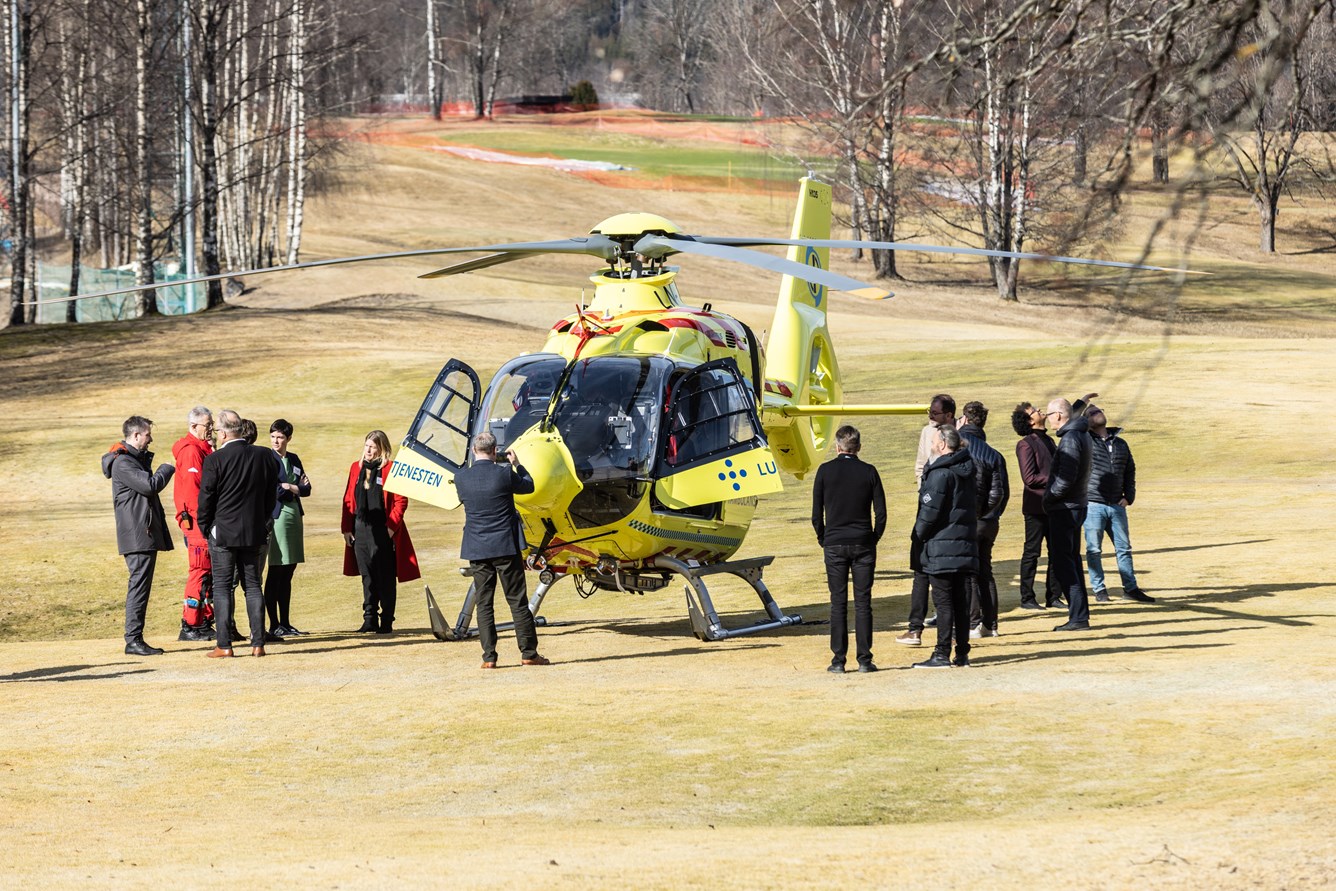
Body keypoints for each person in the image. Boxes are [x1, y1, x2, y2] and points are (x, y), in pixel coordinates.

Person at [454, 431, 549, 669]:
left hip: (477, 547)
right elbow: (528, 486)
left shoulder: (461, 478)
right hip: (505, 546)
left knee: (484, 603)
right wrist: (517, 465)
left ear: (474, 451)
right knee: (517, 601)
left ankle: (489, 657)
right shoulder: (505, 473)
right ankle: (528, 652)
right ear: (495, 451)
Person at [196, 409, 278, 657]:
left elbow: (206, 498)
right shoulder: (265, 455)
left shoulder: (215, 460)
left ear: (222, 433)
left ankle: (224, 645)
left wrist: (206, 526)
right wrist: (261, 521)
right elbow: (270, 494)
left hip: (223, 532)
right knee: (253, 586)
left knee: (222, 587)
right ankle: (258, 643)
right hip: (253, 530)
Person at [811, 425, 887, 674]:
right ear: (859, 447)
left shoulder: (825, 471)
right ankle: (864, 659)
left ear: (837, 447)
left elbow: (816, 515)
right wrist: (873, 537)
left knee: (838, 602)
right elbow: (881, 513)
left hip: (834, 542)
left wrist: (824, 538)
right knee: (863, 602)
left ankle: (838, 660)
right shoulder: (869, 471)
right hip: (863, 541)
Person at [102, 416, 175, 656]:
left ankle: (135, 639)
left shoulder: (130, 460)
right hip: (137, 535)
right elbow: (150, 486)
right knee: (139, 586)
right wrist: (168, 467)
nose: (150, 438)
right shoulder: (123, 463)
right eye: (147, 434)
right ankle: (133, 640)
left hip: (140, 533)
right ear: (135, 436)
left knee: (140, 585)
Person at [341, 430, 420, 634]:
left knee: (384, 576)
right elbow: (348, 499)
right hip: (360, 529)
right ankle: (369, 618)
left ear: (381, 449)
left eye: (372, 447)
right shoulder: (355, 468)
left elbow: (401, 502)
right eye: (366, 445)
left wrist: (390, 529)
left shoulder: (392, 469)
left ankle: (386, 620)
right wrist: (346, 528)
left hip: (383, 530)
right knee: (366, 575)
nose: (367, 450)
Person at [911, 425, 977, 668]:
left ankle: (941, 653)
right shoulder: (967, 469)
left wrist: (918, 536)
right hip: (963, 544)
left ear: (941, 444)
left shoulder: (941, 473)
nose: (931, 444)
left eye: (934, 440)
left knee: (944, 601)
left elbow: (929, 513)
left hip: (942, 547)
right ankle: (962, 652)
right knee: (960, 600)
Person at [896, 394, 956, 647]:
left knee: (947, 572)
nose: (931, 416)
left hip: (950, 511)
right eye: (929, 412)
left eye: (935, 412)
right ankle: (916, 627)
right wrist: (925, 492)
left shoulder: (960, 433)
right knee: (920, 568)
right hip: (928, 503)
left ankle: (951, 627)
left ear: (950, 415)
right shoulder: (926, 433)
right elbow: (920, 465)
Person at [1084, 404, 1154, 604]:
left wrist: (1129, 496)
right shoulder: (1086, 441)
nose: (1097, 411)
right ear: (1086, 421)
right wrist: (1083, 402)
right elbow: (1069, 426)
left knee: (1124, 548)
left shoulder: (1121, 443)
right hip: (1093, 504)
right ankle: (1099, 590)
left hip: (1117, 504)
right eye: (1091, 412)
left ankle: (1130, 588)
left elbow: (1130, 470)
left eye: (1099, 410)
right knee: (1094, 550)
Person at [957, 401, 1008, 637]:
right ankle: (990, 623)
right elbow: (1001, 493)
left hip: (968, 518)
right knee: (985, 571)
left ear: (964, 419)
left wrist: (974, 513)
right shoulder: (994, 454)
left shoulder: (956, 447)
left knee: (967, 573)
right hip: (989, 520)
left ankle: (972, 621)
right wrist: (989, 512)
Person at [1044, 398, 1094, 632]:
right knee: (1072, 561)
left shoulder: (1071, 439)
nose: (1047, 419)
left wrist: (1048, 497)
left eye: (1048, 415)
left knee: (1066, 564)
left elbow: (1066, 478)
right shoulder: (1078, 434)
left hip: (1065, 508)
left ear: (1059, 416)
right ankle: (1079, 615)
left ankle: (1078, 617)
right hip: (1075, 505)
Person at [264, 419, 312, 639]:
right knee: (277, 569)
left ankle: (285, 622)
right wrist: (293, 488)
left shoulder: (293, 458)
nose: (276, 440)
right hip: (278, 517)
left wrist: (291, 487)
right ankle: (273, 624)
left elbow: (306, 488)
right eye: (273, 436)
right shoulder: (267, 459)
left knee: (289, 570)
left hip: (294, 516)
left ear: (288, 438)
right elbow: (273, 490)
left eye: (280, 437)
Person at [171, 406, 216, 641]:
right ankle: (190, 624)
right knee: (199, 571)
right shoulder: (191, 452)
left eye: (211, 425)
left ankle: (202, 620)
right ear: (193, 427)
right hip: (197, 522)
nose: (211, 430)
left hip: (201, 522)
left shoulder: (202, 449)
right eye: (207, 426)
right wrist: (205, 521)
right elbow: (194, 492)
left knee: (206, 572)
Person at [1012, 402, 1061, 609]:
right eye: (1035, 411)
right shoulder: (1026, 444)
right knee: (1032, 552)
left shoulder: (1049, 440)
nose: (1040, 411)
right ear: (1030, 420)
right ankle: (1027, 598)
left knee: (1056, 552)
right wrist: (1057, 478)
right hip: (1036, 506)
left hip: (1054, 504)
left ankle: (1054, 596)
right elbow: (1029, 478)